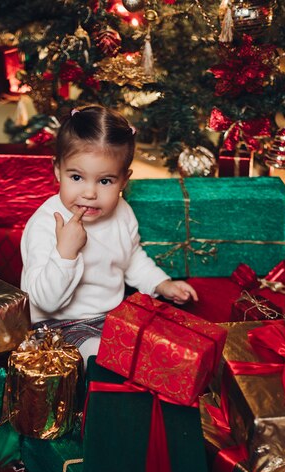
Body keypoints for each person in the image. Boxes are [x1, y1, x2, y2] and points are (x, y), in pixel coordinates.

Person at [20, 104, 198, 365]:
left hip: (111, 315)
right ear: (58, 170)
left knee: (159, 345)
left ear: (124, 180)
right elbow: (44, 301)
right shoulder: (46, 224)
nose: (90, 193)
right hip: (57, 325)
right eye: (77, 177)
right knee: (103, 356)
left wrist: (161, 283)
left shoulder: (122, 212)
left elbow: (132, 257)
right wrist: (66, 253)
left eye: (105, 181)